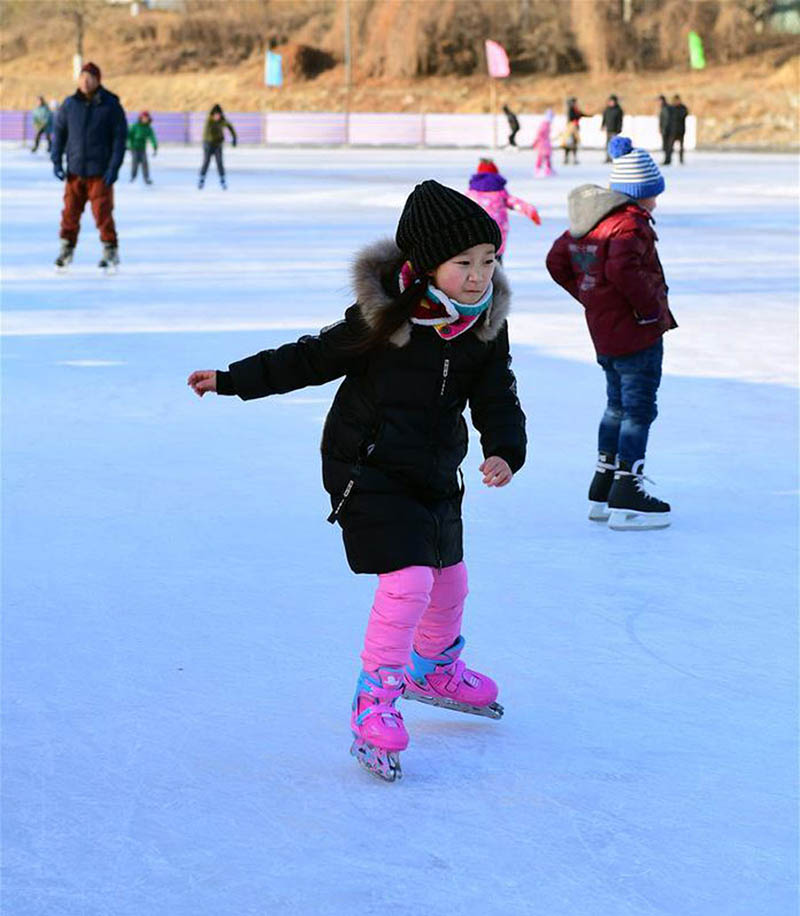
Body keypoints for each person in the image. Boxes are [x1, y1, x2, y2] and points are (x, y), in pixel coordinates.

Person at [187, 180, 527, 781]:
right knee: (410, 578)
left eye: (488, 261)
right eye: (463, 263)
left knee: (450, 577)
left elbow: (497, 395)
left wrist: (504, 449)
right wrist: (232, 378)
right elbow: (308, 359)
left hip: (434, 470)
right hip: (365, 465)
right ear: (424, 266)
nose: (478, 276)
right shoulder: (384, 318)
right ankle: (376, 700)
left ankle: (435, 667)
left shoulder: (483, 326)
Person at [545, 136, 677, 530]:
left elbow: (557, 261)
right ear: (638, 194)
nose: (655, 202)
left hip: (605, 330)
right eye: (652, 194)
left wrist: (590, 296)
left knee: (616, 406)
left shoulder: (590, 222)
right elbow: (622, 270)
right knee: (638, 410)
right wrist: (649, 309)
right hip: (637, 333)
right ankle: (626, 490)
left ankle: (603, 486)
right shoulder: (628, 225)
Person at [50, 62, 127, 271]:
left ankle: (110, 250)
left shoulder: (110, 105)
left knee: (102, 212)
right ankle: (66, 249)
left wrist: (113, 168)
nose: (86, 81)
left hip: (99, 172)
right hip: (75, 170)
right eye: (83, 76)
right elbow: (59, 134)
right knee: (69, 213)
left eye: (90, 77)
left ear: (98, 80)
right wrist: (56, 160)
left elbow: (120, 140)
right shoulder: (69, 105)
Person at [466, 158, 540, 260]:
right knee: (495, 257)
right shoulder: (500, 191)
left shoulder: (472, 192)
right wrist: (530, 211)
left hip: (478, 229)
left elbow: (461, 206)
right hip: (498, 230)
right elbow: (515, 203)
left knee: (479, 258)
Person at [198, 103, 236, 189]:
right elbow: (210, 135)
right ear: (213, 115)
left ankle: (222, 180)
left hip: (217, 145)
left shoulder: (222, 121)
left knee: (220, 163)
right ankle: (201, 179)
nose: (217, 117)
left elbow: (230, 127)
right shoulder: (209, 122)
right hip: (208, 144)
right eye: (216, 115)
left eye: (219, 115)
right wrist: (220, 138)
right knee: (206, 162)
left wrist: (234, 138)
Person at [127, 111, 158, 184]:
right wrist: (128, 145)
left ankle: (146, 178)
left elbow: (152, 137)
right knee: (135, 162)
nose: (145, 119)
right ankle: (133, 177)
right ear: (140, 118)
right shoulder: (135, 126)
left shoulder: (148, 128)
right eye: (144, 118)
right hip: (134, 147)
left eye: (146, 118)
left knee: (145, 163)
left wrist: (154, 146)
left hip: (142, 148)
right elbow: (129, 135)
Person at [664, 94, 689, 165]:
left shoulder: (683, 108)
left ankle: (681, 160)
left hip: (681, 131)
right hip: (673, 131)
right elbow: (668, 118)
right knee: (670, 146)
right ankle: (668, 159)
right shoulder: (671, 108)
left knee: (681, 147)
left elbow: (683, 115)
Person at [531, 109, 555, 177]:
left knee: (547, 157)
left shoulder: (547, 124)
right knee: (541, 157)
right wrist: (536, 142)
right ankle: (538, 169)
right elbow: (539, 134)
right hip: (542, 144)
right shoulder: (544, 124)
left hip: (546, 143)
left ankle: (548, 169)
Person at [601, 94, 624, 162]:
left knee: (614, 145)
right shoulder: (607, 109)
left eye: (612, 101)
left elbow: (620, 121)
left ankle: (614, 157)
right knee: (608, 144)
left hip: (615, 130)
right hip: (608, 130)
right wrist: (603, 125)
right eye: (610, 101)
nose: (611, 103)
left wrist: (619, 129)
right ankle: (608, 157)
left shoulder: (618, 110)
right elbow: (604, 118)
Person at [657, 95, 672, 163]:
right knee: (666, 145)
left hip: (666, 130)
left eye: (659, 101)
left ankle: (667, 160)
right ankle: (667, 159)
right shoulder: (664, 107)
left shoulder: (665, 108)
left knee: (666, 146)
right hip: (665, 129)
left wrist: (664, 129)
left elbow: (666, 120)